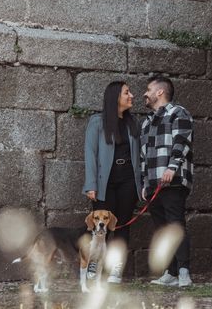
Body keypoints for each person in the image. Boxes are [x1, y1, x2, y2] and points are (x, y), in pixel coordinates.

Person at [83, 81, 141, 284]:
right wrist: (90, 184)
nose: (131, 96)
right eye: (127, 92)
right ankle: (94, 265)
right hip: (104, 181)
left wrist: (140, 185)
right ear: (115, 97)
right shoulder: (97, 122)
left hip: (128, 181)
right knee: (100, 227)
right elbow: (90, 153)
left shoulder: (133, 123)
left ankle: (116, 269)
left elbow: (139, 156)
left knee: (122, 226)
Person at [140, 75, 194, 288]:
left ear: (160, 92)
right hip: (153, 185)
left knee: (175, 225)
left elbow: (182, 142)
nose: (145, 93)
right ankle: (170, 273)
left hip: (174, 181)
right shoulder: (146, 122)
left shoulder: (178, 113)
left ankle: (183, 272)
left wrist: (172, 168)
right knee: (162, 229)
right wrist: (145, 183)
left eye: (148, 89)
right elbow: (144, 156)